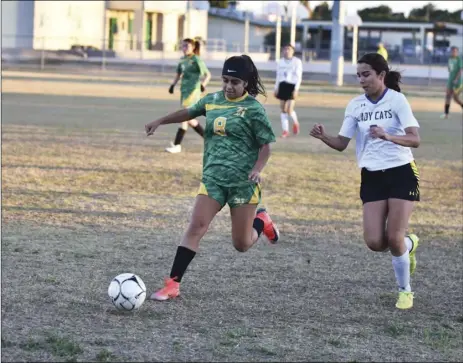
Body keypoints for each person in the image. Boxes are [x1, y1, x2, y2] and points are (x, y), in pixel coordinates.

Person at [145, 54, 280, 301]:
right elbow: (188, 112)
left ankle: (261, 221)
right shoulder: (213, 100)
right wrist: (160, 121)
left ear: (246, 83)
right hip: (213, 180)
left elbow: (266, 147)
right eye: (225, 80)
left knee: (242, 244)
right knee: (196, 226)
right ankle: (172, 284)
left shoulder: (254, 110)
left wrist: (257, 169)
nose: (229, 86)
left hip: (243, 184)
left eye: (235, 82)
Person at [309, 53, 421, 310]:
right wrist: (323, 136)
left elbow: (414, 139)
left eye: (366, 74)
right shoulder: (355, 105)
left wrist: (387, 136)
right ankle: (409, 244)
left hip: (401, 171)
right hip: (371, 175)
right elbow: (341, 143)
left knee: (393, 237)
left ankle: (405, 291)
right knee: (374, 242)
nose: (361, 79)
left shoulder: (397, 100)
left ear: (381, 75)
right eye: (358, 75)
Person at [166, 38, 211, 153]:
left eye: (187, 46)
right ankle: (177, 145)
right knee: (185, 119)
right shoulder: (182, 60)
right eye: (183, 46)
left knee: (186, 117)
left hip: (193, 91)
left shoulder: (196, 59)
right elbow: (178, 74)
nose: (185, 48)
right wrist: (172, 85)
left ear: (193, 47)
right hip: (184, 91)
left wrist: (203, 85)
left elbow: (207, 75)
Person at [274, 44, 303, 138]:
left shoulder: (297, 62)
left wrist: (296, 89)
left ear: (292, 51)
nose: (287, 51)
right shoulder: (280, 62)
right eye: (285, 49)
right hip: (282, 85)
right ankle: (285, 130)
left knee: (290, 110)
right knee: (283, 109)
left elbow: (299, 77)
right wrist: (276, 88)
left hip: (292, 86)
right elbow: (278, 75)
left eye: (289, 49)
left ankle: (296, 123)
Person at [441, 46, 462, 119]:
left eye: (455, 51)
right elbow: (449, 69)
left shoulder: (459, 59)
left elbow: (460, 71)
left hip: (458, 82)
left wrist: (456, 79)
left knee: (455, 98)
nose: (454, 52)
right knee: (447, 96)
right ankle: (446, 114)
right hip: (450, 81)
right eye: (453, 51)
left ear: (457, 52)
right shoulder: (450, 58)